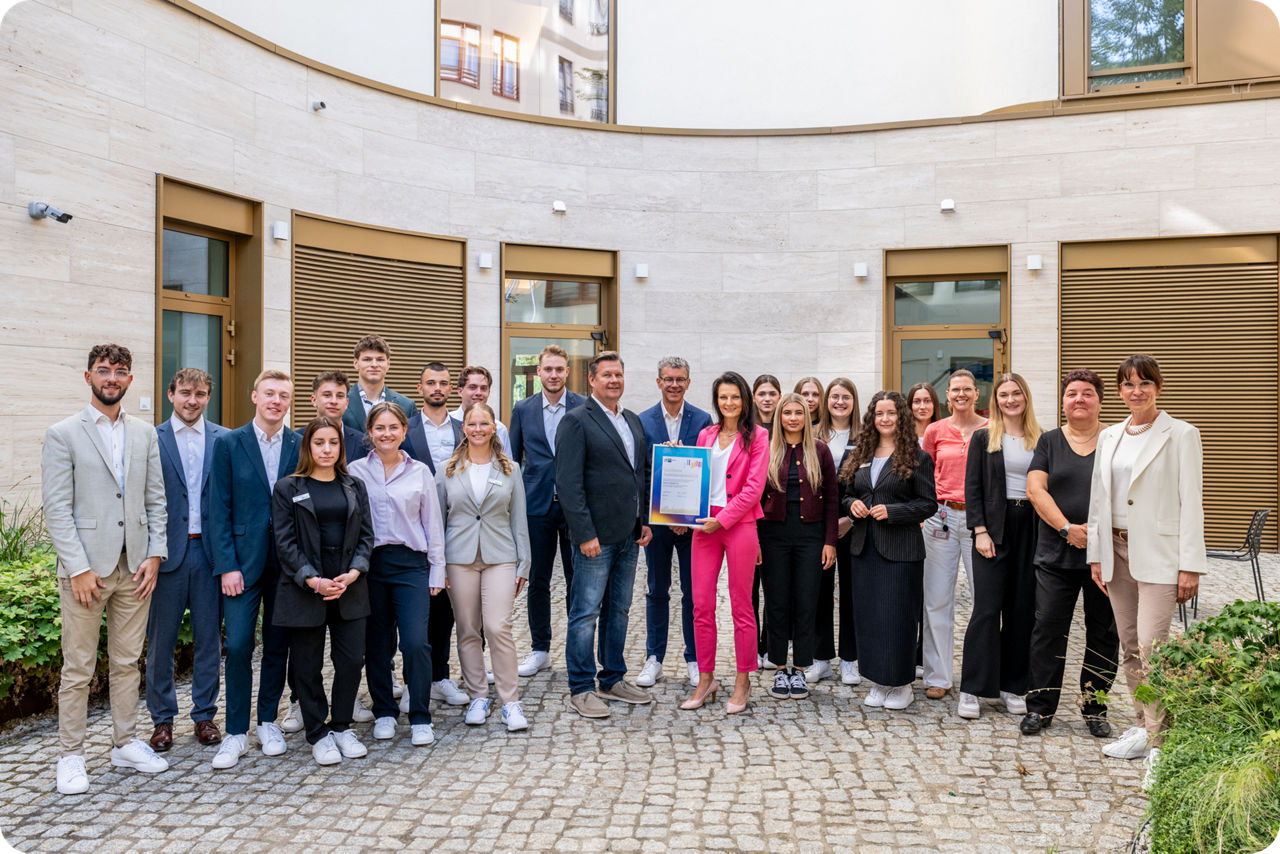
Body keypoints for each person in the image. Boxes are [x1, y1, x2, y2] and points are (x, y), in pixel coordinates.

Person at [43, 344, 169, 794]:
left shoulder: (144, 433)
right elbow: (56, 509)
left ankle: (124, 742)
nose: (111, 378)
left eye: (119, 371)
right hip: (86, 571)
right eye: (103, 370)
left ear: (130, 380)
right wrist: (76, 567)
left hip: (134, 567)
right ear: (88, 376)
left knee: (127, 662)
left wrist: (155, 553)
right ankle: (71, 755)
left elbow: (155, 498)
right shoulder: (63, 434)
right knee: (78, 667)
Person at [1087, 355, 1206, 781]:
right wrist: (1097, 554)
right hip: (1116, 550)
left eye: (1144, 383)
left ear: (1158, 386)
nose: (1136, 391)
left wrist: (1189, 565)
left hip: (1159, 554)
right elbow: (1099, 500)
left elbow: (1191, 500)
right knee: (1130, 644)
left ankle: (1160, 741)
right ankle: (1142, 725)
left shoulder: (1181, 434)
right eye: (1128, 384)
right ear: (1118, 391)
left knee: (1155, 650)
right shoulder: (1110, 436)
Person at [208, 369, 301, 770]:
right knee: (240, 644)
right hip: (241, 566)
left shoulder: (299, 444)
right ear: (254, 396)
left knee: (278, 645)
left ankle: (267, 721)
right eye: (269, 393)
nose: (276, 401)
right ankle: (234, 732)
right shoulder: (229, 443)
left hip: (286, 564)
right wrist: (226, 565)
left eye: (283, 395)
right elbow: (218, 509)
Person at [554, 351, 653, 718]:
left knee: (620, 610)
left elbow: (640, 473)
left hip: (629, 534)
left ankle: (612, 678)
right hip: (595, 538)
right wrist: (583, 533)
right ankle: (581, 687)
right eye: (607, 375)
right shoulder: (576, 421)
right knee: (585, 612)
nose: (614, 380)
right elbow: (567, 483)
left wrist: (645, 520)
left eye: (619, 375)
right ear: (591, 380)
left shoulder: (631, 420)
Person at [271, 417, 375, 766]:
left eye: (333, 442)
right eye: (319, 443)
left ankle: (342, 725)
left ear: (341, 447)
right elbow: (284, 543)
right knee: (306, 664)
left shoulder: (354, 486)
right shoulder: (288, 487)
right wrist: (311, 579)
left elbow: (366, 537)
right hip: (305, 588)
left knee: (350, 660)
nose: (327, 449)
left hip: (348, 585)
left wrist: (354, 572)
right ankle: (317, 732)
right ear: (308, 447)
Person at [1022, 370, 1118, 738]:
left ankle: (1095, 708)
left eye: (1088, 393)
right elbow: (1035, 489)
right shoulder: (1049, 441)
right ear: (1063, 401)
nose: (1079, 399)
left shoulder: (1116, 439)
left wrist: (1095, 535)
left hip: (1108, 553)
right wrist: (1067, 528)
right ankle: (1040, 709)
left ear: (1100, 400)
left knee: (1104, 633)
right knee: (1047, 630)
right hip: (1055, 554)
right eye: (1072, 393)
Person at [348, 402, 446, 747]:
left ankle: (420, 715)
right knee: (376, 644)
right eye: (379, 428)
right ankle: (385, 711)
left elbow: (433, 524)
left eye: (393, 428)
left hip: (411, 565)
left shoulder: (419, 472)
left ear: (404, 432)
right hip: (370, 566)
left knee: (416, 642)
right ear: (369, 433)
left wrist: (438, 571)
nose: (386, 434)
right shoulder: (355, 471)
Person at [146, 368, 229, 755]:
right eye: (184, 393)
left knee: (209, 638)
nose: (191, 400)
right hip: (166, 554)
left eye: (199, 394)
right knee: (160, 641)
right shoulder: (151, 438)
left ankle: (205, 715)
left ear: (208, 396)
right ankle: (162, 720)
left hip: (210, 553)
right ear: (170, 394)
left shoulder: (225, 439)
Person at [436, 403, 533, 732]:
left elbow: (519, 518)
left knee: (497, 626)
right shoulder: (446, 469)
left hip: (501, 555)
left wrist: (525, 563)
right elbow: (438, 521)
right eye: (472, 423)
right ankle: (478, 695)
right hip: (458, 557)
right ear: (464, 428)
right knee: (467, 629)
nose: (478, 428)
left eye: (484, 423)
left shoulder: (510, 469)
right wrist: (438, 566)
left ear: (494, 427)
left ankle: (511, 701)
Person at [841, 391, 937, 710]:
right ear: (873, 417)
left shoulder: (917, 457)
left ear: (902, 417)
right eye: (880, 413)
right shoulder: (861, 453)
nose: (885, 419)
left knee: (897, 617)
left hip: (901, 550)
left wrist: (893, 512)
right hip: (864, 547)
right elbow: (847, 493)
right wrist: (851, 504)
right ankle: (878, 681)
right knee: (869, 617)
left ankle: (901, 684)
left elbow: (927, 504)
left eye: (892, 413)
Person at [957, 373, 1043, 719]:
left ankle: (1013, 686)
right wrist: (979, 530)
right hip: (994, 527)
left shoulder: (1043, 439)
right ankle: (972, 689)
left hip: (1032, 528)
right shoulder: (983, 438)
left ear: (1026, 397)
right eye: (1004, 394)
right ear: (996, 401)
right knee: (987, 610)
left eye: (1016, 393)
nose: (1010, 400)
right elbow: (972, 487)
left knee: (1022, 612)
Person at [682, 371, 768, 713]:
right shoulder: (706, 434)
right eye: (723, 398)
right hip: (704, 525)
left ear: (744, 400)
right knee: (700, 604)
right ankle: (706, 678)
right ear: (716, 402)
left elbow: (754, 487)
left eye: (734, 397)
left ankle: (743, 679)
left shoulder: (758, 436)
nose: (729, 403)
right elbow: (694, 475)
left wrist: (725, 518)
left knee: (741, 605)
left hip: (739, 523)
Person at [508, 345, 586, 677]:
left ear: (567, 372)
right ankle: (540, 649)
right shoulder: (523, 409)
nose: (553, 375)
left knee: (576, 579)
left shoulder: (583, 406)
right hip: (536, 505)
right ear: (538, 372)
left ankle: (576, 649)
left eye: (559, 369)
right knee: (537, 580)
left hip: (574, 507)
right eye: (548, 369)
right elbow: (511, 460)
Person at [635, 356, 711, 689]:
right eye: (668, 379)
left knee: (694, 593)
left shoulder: (704, 420)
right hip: (657, 523)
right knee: (657, 589)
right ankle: (654, 658)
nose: (674, 385)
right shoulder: (643, 421)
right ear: (658, 382)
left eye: (680, 379)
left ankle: (694, 658)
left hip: (693, 526)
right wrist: (649, 519)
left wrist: (686, 518)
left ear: (688, 383)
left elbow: (709, 471)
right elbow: (641, 474)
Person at [758, 393, 837, 701]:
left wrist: (830, 540)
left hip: (810, 536)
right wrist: (755, 540)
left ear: (806, 416)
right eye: (787, 413)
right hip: (773, 536)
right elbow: (754, 498)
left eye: (798, 413)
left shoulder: (820, 450)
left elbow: (831, 498)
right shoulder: (766, 450)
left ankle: (801, 669)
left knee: (807, 602)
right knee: (777, 602)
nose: (792, 418)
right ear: (779, 417)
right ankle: (779, 668)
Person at [400, 362, 469, 707]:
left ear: (451, 390)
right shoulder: (405, 429)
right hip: (414, 529)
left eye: (443, 383)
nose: (437, 388)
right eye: (431, 382)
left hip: (457, 530)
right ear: (420, 387)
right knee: (418, 607)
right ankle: (413, 680)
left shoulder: (465, 429)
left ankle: (440, 676)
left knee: (445, 609)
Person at [920, 369, 987, 700]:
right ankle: (938, 676)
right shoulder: (935, 430)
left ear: (977, 394)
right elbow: (924, 475)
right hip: (941, 517)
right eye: (955, 390)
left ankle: (982, 675)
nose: (961, 394)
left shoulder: (991, 429)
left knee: (984, 601)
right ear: (947, 396)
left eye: (967, 389)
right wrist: (924, 513)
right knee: (937, 599)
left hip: (980, 523)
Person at [813, 377, 860, 685]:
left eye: (846, 397)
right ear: (826, 401)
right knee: (819, 592)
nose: (840, 402)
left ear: (854, 401)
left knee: (852, 593)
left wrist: (851, 519)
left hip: (855, 525)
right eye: (835, 397)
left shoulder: (865, 437)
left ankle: (850, 659)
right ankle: (820, 658)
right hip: (819, 526)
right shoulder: (813, 434)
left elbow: (873, 485)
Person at [750, 373, 783, 660]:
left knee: (774, 586)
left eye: (772, 393)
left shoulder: (786, 428)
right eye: (762, 393)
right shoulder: (747, 430)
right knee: (749, 587)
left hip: (776, 518)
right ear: (754, 397)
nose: (767, 398)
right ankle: (751, 647)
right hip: (748, 517)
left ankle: (770, 644)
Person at [341, 335, 417, 433]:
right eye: (367, 359)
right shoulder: (340, 402)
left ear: (388, 364)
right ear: (356, 363)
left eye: (380, 359)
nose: (374, 365)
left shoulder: (407, 406)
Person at [451, 365, 513, 457]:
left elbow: (507, 467)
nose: (478, 393)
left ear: (488, 392)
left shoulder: (499, 429)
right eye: (472, 387)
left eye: (483, 388)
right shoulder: (448, 424)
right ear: (460, 391)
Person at [311, 371, 370, 463]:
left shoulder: (363, 443)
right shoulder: (298, 440)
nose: (334, 401)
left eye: (340, 396)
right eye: (327, 395)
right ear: (314, 400)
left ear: (346, 403)